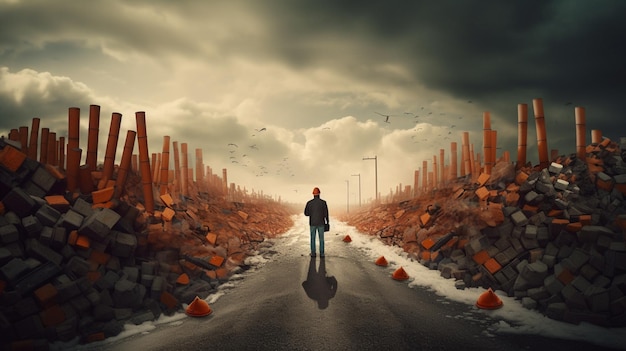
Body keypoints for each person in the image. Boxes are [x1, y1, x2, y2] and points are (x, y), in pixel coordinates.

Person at [304, 187, 329, 257]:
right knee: (321, 239)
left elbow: (306, 213)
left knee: (312, 238)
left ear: (313, 194)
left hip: (312, 223)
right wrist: (327, 222)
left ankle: (313, 253)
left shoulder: (309, 203)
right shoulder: (323, 203)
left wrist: (312, 213)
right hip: (321, 223)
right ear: (319, 193)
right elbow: (326, 213)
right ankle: (322, 253)